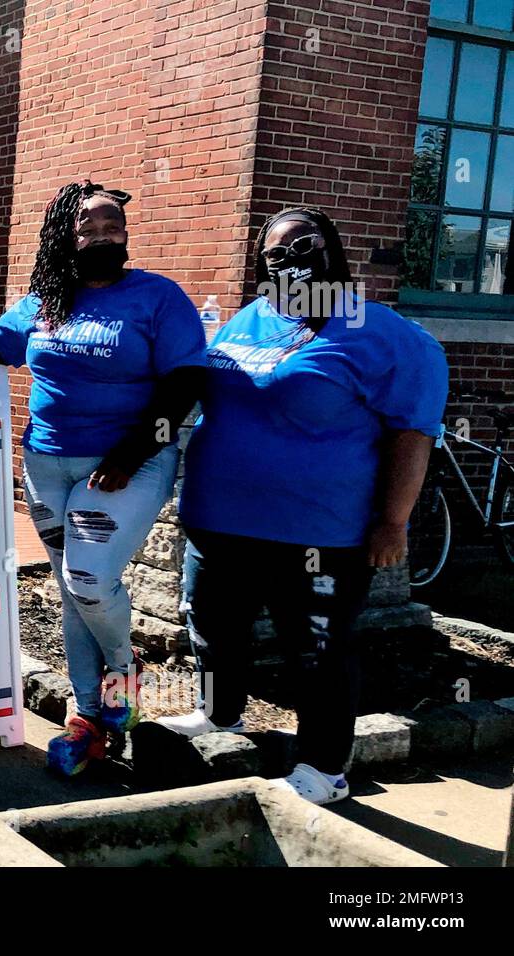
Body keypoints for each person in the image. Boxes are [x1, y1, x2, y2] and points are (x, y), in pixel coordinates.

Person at [0, 180, 207, 776]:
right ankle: (90, 717)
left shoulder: (157, 298)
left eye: (111, 225)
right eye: (87, 226)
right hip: (45, 464)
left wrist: (130, 452)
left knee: (88, 578)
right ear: (65, 236)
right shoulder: (47, 299)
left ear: (125, 232)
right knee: (74, 592)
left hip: (128, 467)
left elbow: (186, 383)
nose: (101, 234)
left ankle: (125, 670)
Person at [158, 208, 448, 805]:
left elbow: (412, 432)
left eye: (302, 245)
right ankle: (220, 715)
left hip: (320, 532)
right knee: (212, 626)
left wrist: (392, 522)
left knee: (316, 649)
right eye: (272, 253)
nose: (285, 260)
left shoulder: (379, 332)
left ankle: (324, 770)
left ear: (332, 250)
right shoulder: (251, 319)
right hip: (219, 520)